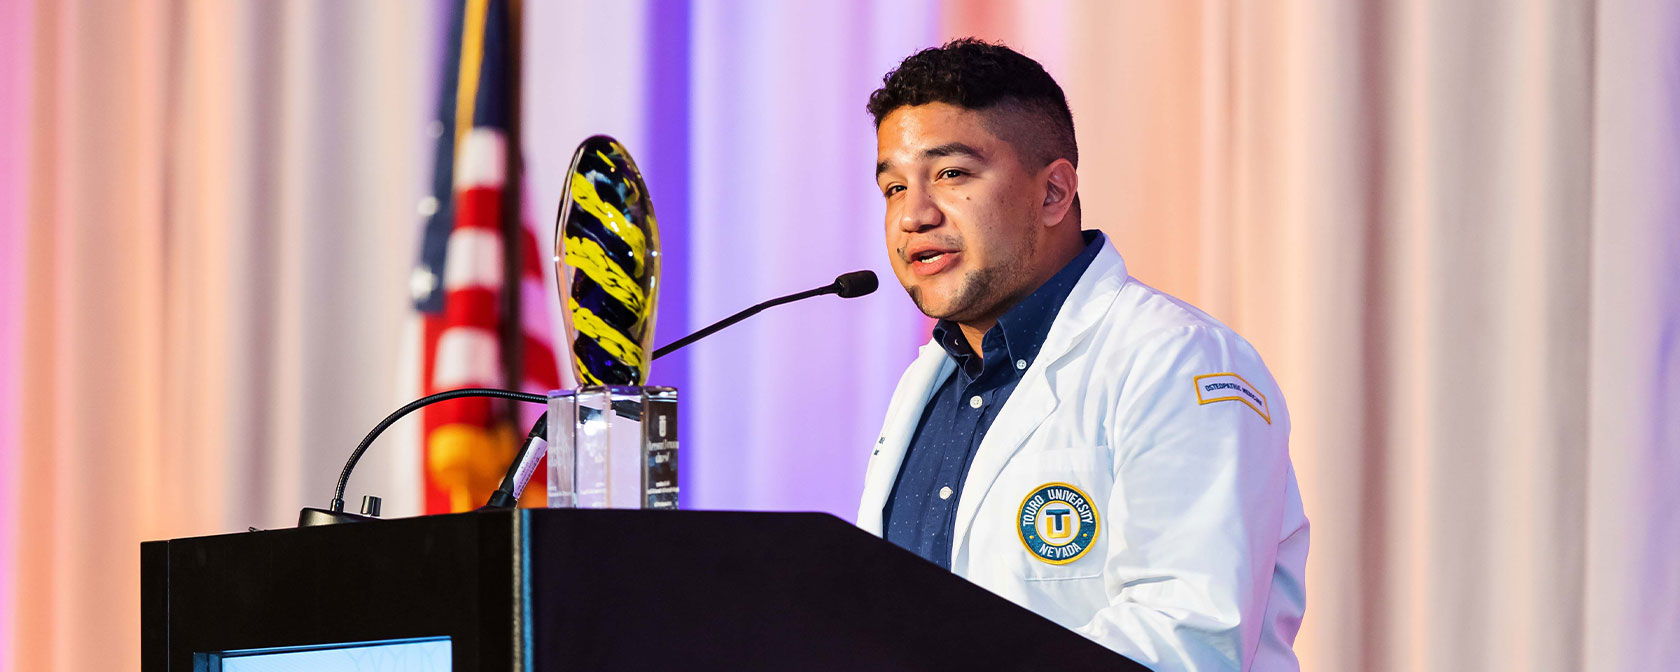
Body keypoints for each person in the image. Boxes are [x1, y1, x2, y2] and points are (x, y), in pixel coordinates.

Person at [856, 38, 1309, 671]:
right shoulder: (928, 384)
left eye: (951, 174)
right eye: (893, 187)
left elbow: (1187, 638)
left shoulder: (1182, 363)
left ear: (1054, 193)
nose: (913, 216)